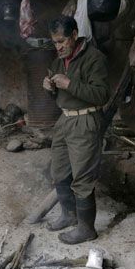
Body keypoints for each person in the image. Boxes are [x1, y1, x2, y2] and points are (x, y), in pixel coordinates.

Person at [43, 16, 110, 244]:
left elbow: (101, 95)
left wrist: (69, 84)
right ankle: (69, 215)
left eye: (62, 41)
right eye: (55, 43)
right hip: (65, 120)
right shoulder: (59, 61)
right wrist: (49, 88)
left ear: (74, 35)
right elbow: (57, 93)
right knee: (59, 171)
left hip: (85, 120)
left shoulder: (94, 58)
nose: (59, 47)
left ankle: (86, 229)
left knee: (82, 177)